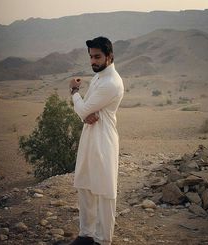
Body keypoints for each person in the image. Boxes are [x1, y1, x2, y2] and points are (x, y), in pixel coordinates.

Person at [69, 36, 124, 245]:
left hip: (104, 140)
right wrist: (84, 113)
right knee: (85, 185)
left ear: (109, 56)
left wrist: (74, 92)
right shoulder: (99, 76)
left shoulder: (111, 82)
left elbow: (83, 109)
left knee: (104, 191)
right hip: (89, 136)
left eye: (97, 57)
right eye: (91, 57)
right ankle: (86, 235)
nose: (93, 61)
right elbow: (86, 111)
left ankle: (103, 240)